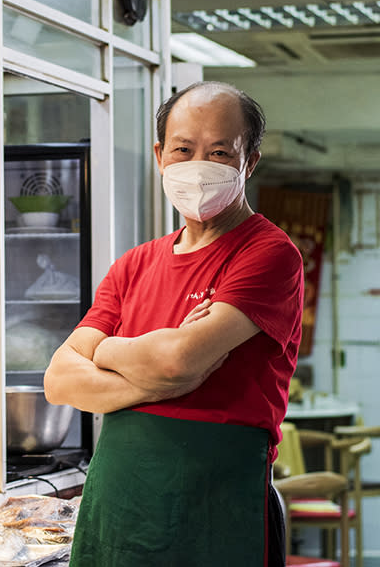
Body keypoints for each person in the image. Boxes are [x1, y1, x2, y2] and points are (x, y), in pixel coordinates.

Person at [44, 81, 304, 567]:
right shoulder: (135, 264)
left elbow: (177, 359)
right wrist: (163, 377)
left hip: (217, 509)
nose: (198, 165)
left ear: (250, 162)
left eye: (221, 152)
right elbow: (59, 381)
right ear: (161, 155)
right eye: (184, 149)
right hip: (119, 504)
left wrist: (109, 352)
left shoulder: (267, 254)